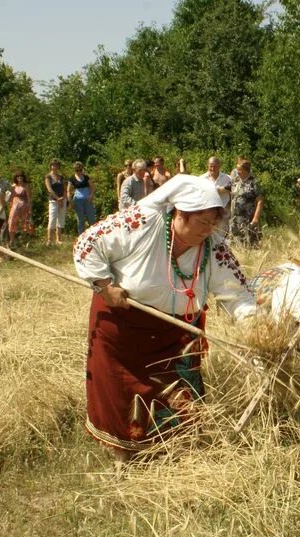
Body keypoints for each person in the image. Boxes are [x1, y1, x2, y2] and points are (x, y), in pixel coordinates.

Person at [73, 175, 257, 461]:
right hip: (124, 324)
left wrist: (255, 327)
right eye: (202, 222)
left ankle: (173, 452)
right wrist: (104, 286)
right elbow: (88, 243)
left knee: (179, 397)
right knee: (120, 391)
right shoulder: (142, 223)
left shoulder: (214, 250)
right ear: (180, 213)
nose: (208, 231)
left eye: (213, 224)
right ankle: (123, 452)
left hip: (176, 333)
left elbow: (239, 295)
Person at [229, 160, 263, 245]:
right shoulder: (236, 181)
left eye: (239, 169)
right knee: (235, 246)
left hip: (248, 220)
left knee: (249, 244)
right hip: (235, 220)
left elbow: (260, 201)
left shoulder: (253, 183)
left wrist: (256, 218)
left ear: (246, 170)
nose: (237, 172)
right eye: (237, 169)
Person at [67, 162, 96, 235]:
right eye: (77, 170)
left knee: (91, 218)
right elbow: (68, 190)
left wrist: (91, 195)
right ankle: (81, 236)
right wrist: (70, 201)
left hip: (88, 200)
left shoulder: (86, 177)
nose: (79, 172)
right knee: (80, 220)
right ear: (74, 170)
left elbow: (92, 187)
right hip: (77, 201)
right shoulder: (72, 178)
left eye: (80, 170)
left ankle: (93, 234)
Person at [45, 159, 68, 245]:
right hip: (53, 200)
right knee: (52, 218)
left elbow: (65, 188)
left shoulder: (61, 177)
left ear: (58, 166)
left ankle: (58, 239)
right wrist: (57, 198)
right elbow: (49, 189)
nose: (55, 166)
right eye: (53, 165)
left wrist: (63, 198)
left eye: (56, 165)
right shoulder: (48, 177)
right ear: (51, 166)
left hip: (63, 199)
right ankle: (49, 240)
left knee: (61, 218)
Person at [7, 171, 33, 246]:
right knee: (11, 221)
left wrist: (30, 209)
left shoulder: (26, 186)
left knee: (24, 223)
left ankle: (24, 240)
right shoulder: (13, 186)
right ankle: (11, 240)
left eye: (21, 177)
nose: (19, 178)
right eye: (18, 177)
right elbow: (10, 197)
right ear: (16, 178)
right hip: (15, 206)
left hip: (24, 207)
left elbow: (29, 198)